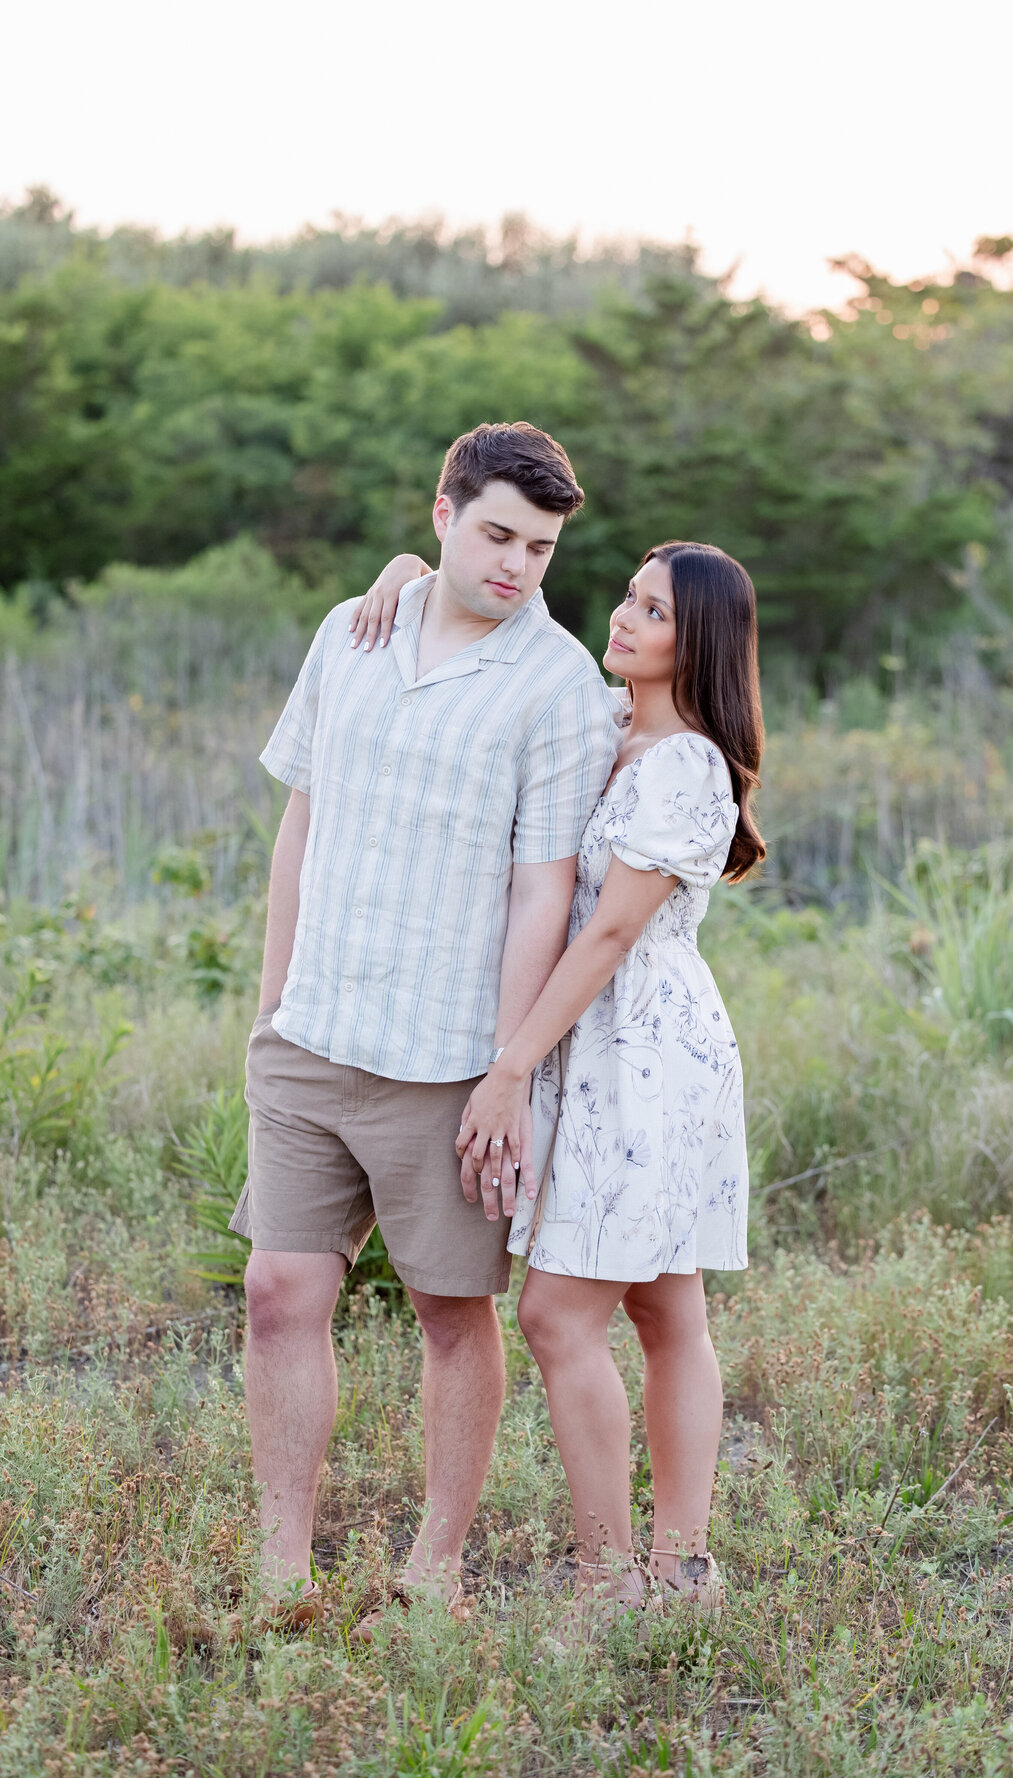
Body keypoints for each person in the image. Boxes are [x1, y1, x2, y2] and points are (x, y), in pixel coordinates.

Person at [231, 421, 621, 1627]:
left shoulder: (555, 687)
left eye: (542, 549)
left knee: (455, 1316)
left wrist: (506, 1074)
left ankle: (434, 1564)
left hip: (447, 1060)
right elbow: (302, 824)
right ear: (442, 513)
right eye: (499, 533)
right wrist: (268, 1004)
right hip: (312, 1033)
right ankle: (282, 1568)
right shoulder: (351, 633)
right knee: (278, 1294)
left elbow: (541, 891)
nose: (517, 565)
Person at [356, 540, 765, 1630]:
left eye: (654, 612)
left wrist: (510, 1067)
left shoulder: (684, 765)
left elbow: (611, 936)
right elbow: (495, 626)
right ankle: (681, 1573)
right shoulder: (612, 723)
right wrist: (404, 570)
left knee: (559, 1313)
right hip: (596, 1047)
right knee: (664, 1304)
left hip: (641, 1053)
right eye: (629, 597)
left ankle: (616, 1575)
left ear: (701, 642)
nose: (623, 619)